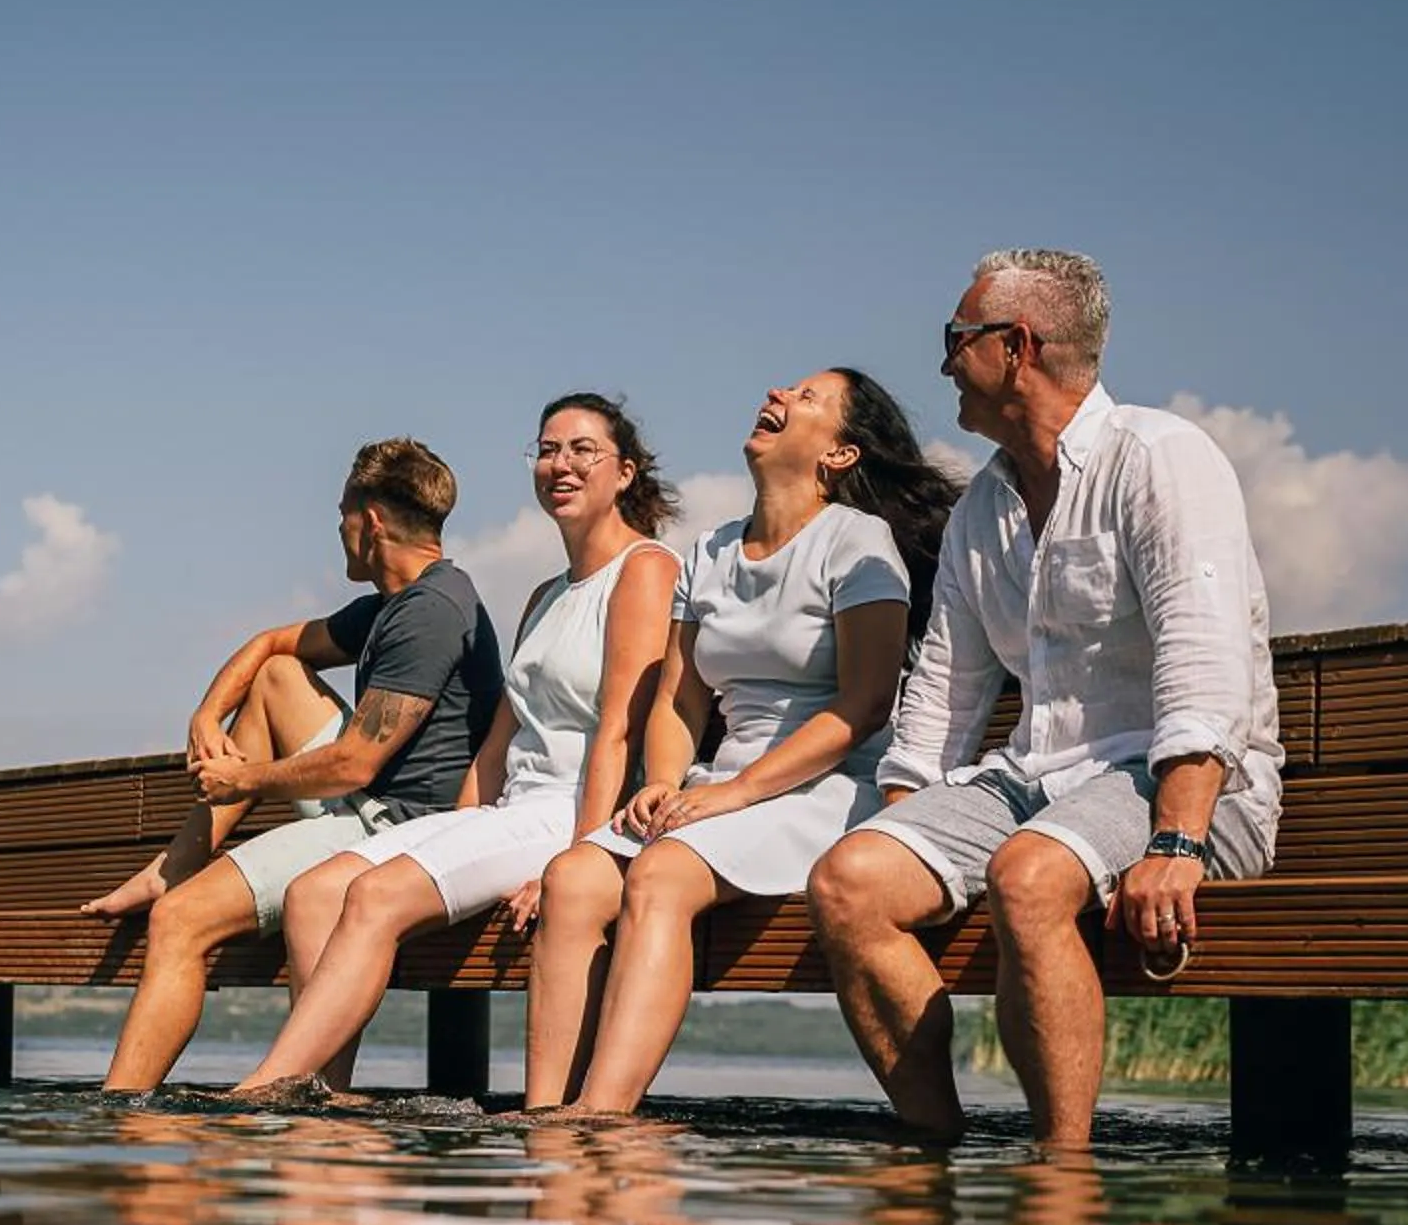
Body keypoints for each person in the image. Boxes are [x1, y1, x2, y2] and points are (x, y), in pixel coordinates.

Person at [806, 249, 1284, 1150]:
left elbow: (1205, 657)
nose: (945, 362)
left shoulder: (1161, 458)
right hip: (1040, 780)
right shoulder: (982, 509)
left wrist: (1177, 842)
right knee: (848, 879)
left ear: (1015, 345)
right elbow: (945, 691)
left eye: (956, 339)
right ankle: (932, 1156)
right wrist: (912, 835)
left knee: (1028, 876)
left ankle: (1059, 1178)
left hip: (1192, 786)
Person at [521, 368, 958, 1114]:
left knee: (659, 876)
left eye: (809, 399)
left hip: (824, 792)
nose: (780, 396)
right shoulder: (713, 552)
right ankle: (543, 1121)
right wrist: (664, 780)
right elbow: (678, 700)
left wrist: (731, 794)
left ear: (841, 454)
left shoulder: (860, 543)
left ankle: (600, 1121)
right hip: (717, 794)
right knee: (574, 878)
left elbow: (863, 704)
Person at [230, 393, 682, 1097]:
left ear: (624, 472)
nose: (559, 464)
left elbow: (619, 731)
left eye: (581, 449)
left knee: (375, 895)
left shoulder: (645, 570)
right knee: (316, 893)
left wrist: (577, 863)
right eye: (547, 449)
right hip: (508, 813)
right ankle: (322, 1102)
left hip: (569, 817)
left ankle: (267, 1086)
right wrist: (458, 821)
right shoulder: (545, 595)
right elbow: (504, 735)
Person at [86, 438, 504, 1091]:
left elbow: (356, 765)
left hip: (395, 828)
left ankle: (121, 1112)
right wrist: (206, 715)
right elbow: (272, 645)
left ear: (370, 521)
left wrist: (243, 777)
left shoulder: (430, 613)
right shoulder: (393, 605)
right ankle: (174, 867)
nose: (336, 529)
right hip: (365, 804)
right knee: (281, 675)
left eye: (341, 513)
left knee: (181, 922)